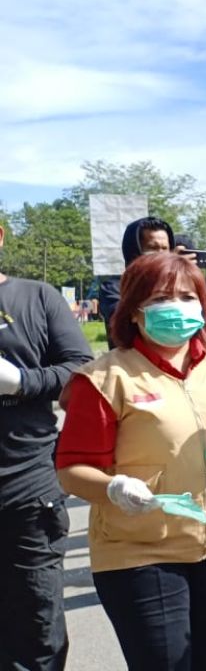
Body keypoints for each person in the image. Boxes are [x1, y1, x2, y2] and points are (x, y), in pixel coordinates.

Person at [56, 251, 206, 671]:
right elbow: (70, 469)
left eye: (187, 297)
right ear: (134, 311)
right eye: (162, 298)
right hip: (139, 551)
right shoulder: (106, 378)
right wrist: (112, 486)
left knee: (201, 658)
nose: (177, 308)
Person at [0, 224, 93, 671]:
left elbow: (82, 368)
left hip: (25, 487)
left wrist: (23, 382)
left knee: (36, 626)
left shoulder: (36, 298)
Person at [98, 217, 180, 348]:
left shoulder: (178, 284)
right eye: (153, 248)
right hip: (131, 365)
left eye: (165, 249)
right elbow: (126, 323)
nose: (160, 255)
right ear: (134, 252)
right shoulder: (113, 288)